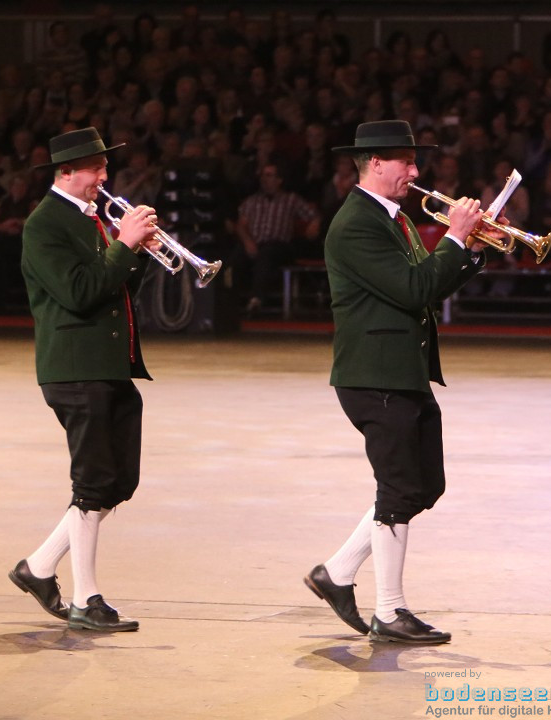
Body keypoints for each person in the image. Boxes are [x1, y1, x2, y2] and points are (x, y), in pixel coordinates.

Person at [304, 120, 486, 644]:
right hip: (374, 374)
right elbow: (413, 289)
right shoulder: (357, 223)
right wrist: (455, 235)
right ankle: (389, 611)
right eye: (406, 161)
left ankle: (336, 573)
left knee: (425, 484)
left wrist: (469, 251)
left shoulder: (394, 219)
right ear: (375, 164)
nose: (416, 170)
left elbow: (427, 285)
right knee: (399, 487)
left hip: (401, 371)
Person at [13, 127, 159, 632]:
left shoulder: (90, 217)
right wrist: (124, 244)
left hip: (110, 364)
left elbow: (113, 284)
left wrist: (135, 252)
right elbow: (78, 293)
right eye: (94, 169)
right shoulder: (45, 224)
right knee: (93, 481)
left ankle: (37, 567)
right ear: (66, 172)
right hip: (75, 368)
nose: (104, 177)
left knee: (118, 480)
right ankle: (85, 599)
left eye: (104, 167)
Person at [234, 163, 319, 314]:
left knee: (267, 254)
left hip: (279, 246)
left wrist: (314, 225)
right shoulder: (252, 201)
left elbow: (315, 215)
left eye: (269, 175)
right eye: (263, 175)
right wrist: (247, 242)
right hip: (254, 243)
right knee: (236, 256)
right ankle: (231, 301)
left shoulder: (290, 199)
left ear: (279, 179)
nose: (264, 179)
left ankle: (256, 299)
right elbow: (241, 225)